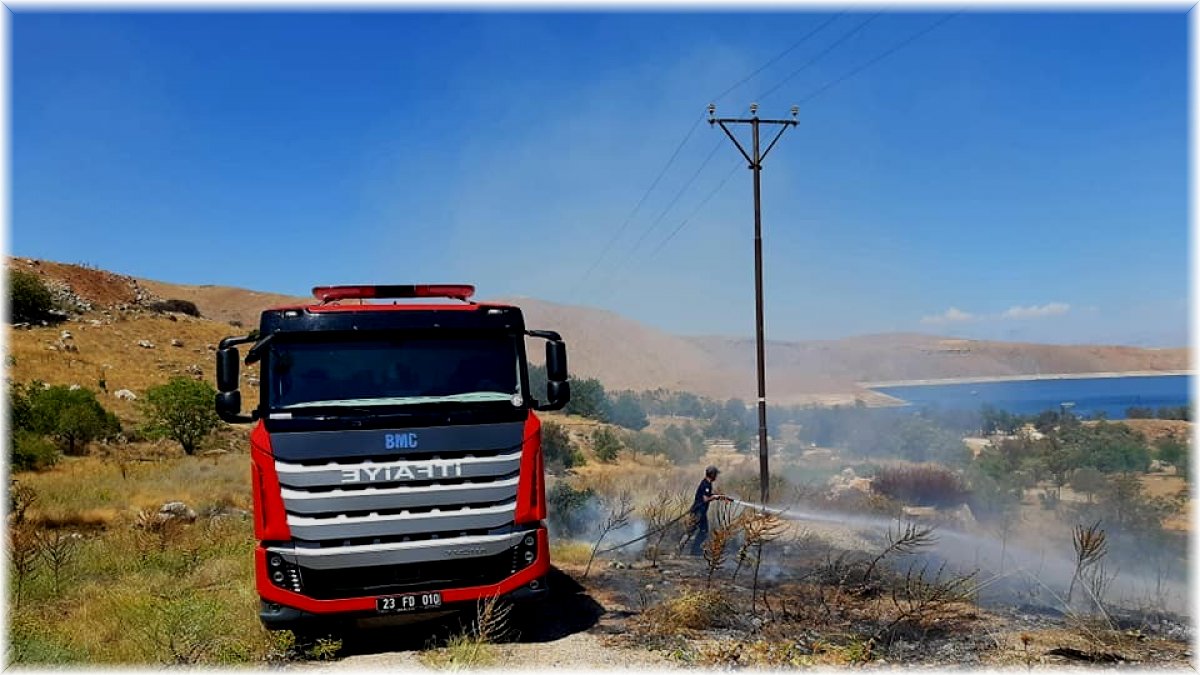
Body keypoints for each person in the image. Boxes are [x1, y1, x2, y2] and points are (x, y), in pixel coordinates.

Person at [682, 465, 729, 556]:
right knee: (695, 531)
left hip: (701, 512)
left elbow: (707, 495)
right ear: (712, 474)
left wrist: (719, 496)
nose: (716, 476)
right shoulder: (705, 484)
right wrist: (715, 497)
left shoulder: (707, 483)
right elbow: (705, 499)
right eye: (715, 474)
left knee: (702, 531)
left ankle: (694, 551)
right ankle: (687, 550)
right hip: (698, 511)